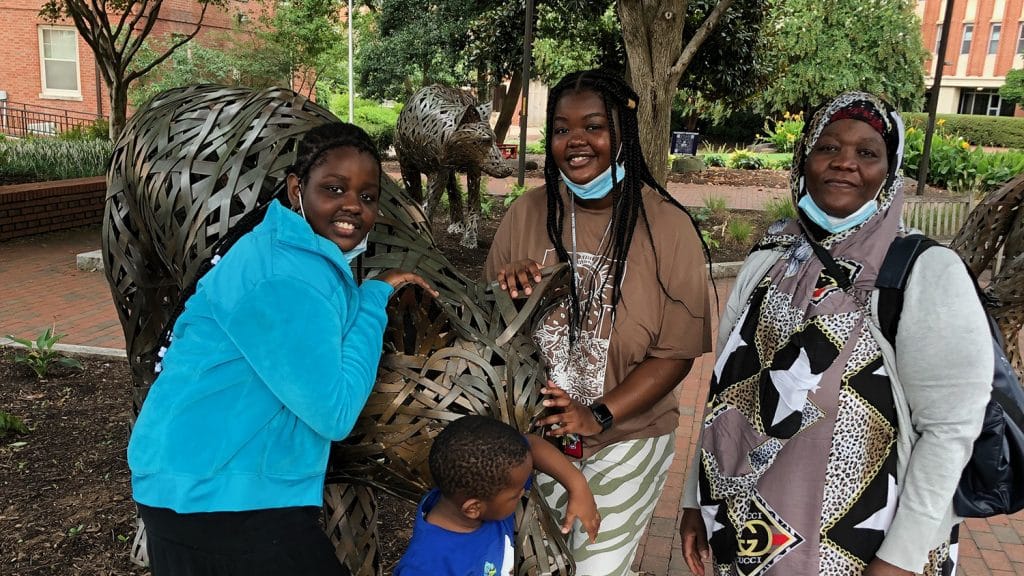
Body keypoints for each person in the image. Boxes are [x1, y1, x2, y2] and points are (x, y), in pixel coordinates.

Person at [679, 92, 993, 576]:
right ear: (804, 159)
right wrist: (695, 501)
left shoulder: (922, 271)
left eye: (867, 153)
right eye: (828, 148)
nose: (844, 163)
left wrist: (900, 560)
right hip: (745, 532)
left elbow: (951, 430)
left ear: (889, 170)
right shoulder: (770, 258)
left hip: (864, 548)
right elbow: (723, 394)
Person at [127, 122, 436, 575]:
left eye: (368, 197)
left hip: (216, 484)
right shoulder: (282, 274)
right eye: (334, 188)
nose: (353, 205)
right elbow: (334, 411)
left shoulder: (296, 257)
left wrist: (369, 293)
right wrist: (373, 302)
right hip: (215, 495)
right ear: (297, 189)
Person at [485, 68, 712, 575]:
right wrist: (510, 290)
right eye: (562, 130)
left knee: (592, 569)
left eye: (594, 126)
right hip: (537, 440)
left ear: (622, 134)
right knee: (539, 565)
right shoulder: (527, 214)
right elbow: (490, 333)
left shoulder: (668, 228)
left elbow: (675, 355)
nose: (576, 142)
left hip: (628, 437)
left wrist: (598, 415)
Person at [394, 415, 601, 576]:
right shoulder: (428, 565)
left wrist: (577, 485)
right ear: (473, 508)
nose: (522, 492)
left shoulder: (483, 490)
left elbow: (530, 445)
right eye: (513, 496)